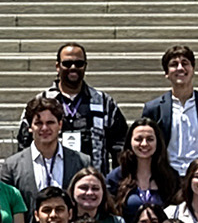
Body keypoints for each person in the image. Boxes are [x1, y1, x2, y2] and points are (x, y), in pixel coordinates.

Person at [15, 42, 129, 170]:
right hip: (49, 181)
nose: (73, 67)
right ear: (58, 66)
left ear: (85, 66)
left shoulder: (104, 103)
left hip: (91, 183)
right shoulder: (39, 103)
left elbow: (120, 146)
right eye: (67, 63)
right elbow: (24, 145)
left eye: (79, 64)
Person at [139, 44, 198, 175]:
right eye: (174, 64)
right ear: (166, 73)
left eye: (185, 63)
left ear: (193, 69)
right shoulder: (154, 109)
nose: (180, 68)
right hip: (167, 176)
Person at [0, 96, 86, 217]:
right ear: (30, 127)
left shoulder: (81, 162)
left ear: (60, 125)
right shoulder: (12, 166)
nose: (45, 128)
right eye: (39, 123)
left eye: (50, 122)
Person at [106, 117, 181, 223]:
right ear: (130, 142)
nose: (144, 144)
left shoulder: (171, 177)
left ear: (158, 142)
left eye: (150, 139)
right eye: (138, 139)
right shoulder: (116, 177)